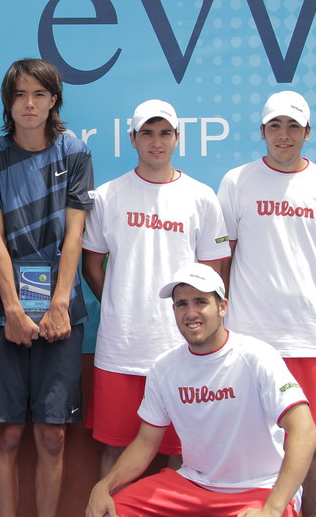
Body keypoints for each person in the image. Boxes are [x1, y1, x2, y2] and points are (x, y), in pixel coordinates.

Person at [85, 263, 316, 517]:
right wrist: (103, 486)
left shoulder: (257, 357)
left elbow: (305, 431)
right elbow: (146, 442)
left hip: (258, 488)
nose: (190, 313)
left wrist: (272, 510)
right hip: (191, 485)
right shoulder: (164, 367)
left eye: (200, 302)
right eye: (182, 304)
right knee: (111, 511)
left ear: (222, 307)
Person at [217, 90, 316, 517]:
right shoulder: (236, 181)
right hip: (249, 339)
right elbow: (222, 259)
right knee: (246, 443)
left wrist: (305, 300)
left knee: (314, 446)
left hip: (310, 339)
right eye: (275, 125)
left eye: (293, 126)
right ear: (262, 132)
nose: (284, 134)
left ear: (307, 133)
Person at [0, 58, 94, 517]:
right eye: (20, 94)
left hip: (63, 310)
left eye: (39, 94)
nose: (29, 103)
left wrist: (60, 304)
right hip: (3, 311)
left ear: (54, 99)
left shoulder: (76, 152)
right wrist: (13, 310)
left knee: (52, 435)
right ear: (8, 101)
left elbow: (75, 235)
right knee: (6, 435)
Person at [81, 100, 230, 477]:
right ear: (132, 138)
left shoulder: (201, 197)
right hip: (120, 349)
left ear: (177, 137)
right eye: (147, 133)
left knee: (181, 454)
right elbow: (91, 266)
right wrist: (119, 303)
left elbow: (212, 274)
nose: (156, 141)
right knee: (115, 450)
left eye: (165, 133)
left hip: (182, 349)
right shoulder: (108, 196)